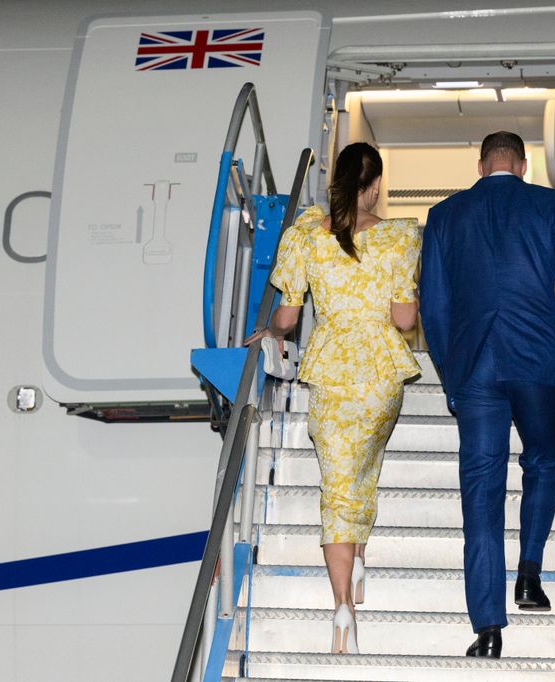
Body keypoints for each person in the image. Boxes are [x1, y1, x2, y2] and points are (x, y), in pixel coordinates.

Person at [419, 131, 555, 658]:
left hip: (476, 369)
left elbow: (433, 307)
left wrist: (452, 374)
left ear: (481, 165)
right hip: (537, 361)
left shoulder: (444, 216)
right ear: (524, 166)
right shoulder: (551, 205)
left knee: (481, 494)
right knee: (543, 463)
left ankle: (487, 628)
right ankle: (529, 572)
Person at [245, 142, 421, 655]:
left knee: (337, 484)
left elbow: (287, 318)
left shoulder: (306, 235)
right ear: (375, 186)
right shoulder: (398, 236)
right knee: (363, 470)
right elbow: (405, 320)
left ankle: (342, 605)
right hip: (381, 374)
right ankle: (358, 559)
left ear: (336, 181)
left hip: (330, 371)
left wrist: (270, 332)